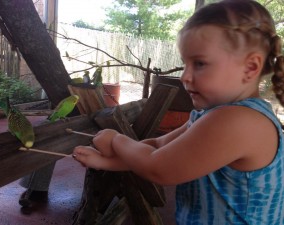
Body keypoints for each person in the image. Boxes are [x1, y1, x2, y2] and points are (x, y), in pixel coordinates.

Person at [72, 0, 284, 224]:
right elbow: (160, 146)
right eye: (185, 64)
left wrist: (116, 140)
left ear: (250, 67)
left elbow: (159, 168)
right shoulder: (211, 115)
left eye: (200, 64)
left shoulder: (240, 121)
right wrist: (106, 162)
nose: (185, 76)